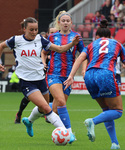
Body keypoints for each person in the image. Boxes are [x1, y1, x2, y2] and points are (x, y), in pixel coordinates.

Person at [0, 17, 80, 143]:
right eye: (31, 30)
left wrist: (72, 44)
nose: (34, 32)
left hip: (40, 79)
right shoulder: (16, 40)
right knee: (46, 108)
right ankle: (66, 132)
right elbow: (2, 45)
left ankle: (29, 122)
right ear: (24, 29)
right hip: (26, 81)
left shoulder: (41, 39)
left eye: (36, 29)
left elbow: (60, 49)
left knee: (42, 108)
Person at [64, 19, 125, 149]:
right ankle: (92, 121)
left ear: (97, 36)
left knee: (107, 110)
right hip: (105, 74)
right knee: (117, 111)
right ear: (110, 36)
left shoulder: (91, 45)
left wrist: (71, 76)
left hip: (89, 76)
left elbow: (80, 59)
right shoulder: (116, 43)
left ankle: (115, 143)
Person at [41, 10, 85, 143]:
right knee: (61, 101)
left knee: (56, 109)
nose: (65, 23)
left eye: (68, 21)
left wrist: (83, 69)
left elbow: (84, 54)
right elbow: (44, 52)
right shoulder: (52, 37)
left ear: (71, 23)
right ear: (59, 23)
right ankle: (69, 133)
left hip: (68, 75)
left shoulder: (77, 36)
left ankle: (39, 111)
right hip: (53, 74)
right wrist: (43, 63)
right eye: (63, 21)